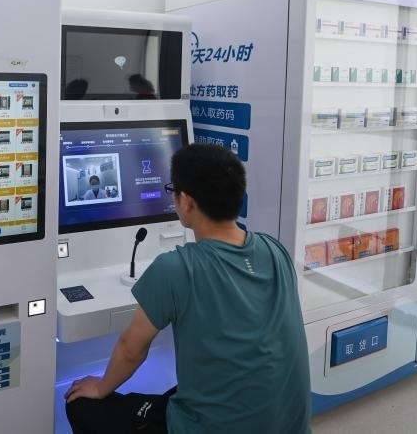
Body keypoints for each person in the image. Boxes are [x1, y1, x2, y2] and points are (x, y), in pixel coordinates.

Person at [65, 143, 311, 434]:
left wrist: (100, 386)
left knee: (79, 403)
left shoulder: (176, 268)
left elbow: (131, 349)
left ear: (186, 201)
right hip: (290, 425)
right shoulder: (275, 249)